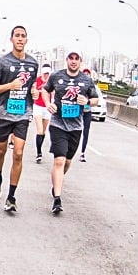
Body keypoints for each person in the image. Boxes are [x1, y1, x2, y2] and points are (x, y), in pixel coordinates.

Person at [40, 52, 100, 214]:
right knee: (58, 161)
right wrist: (47, 103)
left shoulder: (86, 80)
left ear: (80, 61)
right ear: (66, 60)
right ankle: (57, 199)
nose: (73, 62)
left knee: (66, 162)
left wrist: (87, 101)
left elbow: (95, 99)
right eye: (70, 58)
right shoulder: (56, 76)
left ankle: (57, 181)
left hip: (76, 126)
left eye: (76, 59)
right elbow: (45, 90)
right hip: (58, 124)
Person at [0, 25, 39, 211]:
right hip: (3, 113)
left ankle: (11, 197)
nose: (20, 39)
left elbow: (32, 86)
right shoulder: (2, 62)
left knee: (18, 153)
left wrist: (33, 91)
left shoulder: (33, 63)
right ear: (11, 39)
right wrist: (10, 85)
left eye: (23, 36)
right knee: (2, 150)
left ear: (26, 40)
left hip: (23, 114)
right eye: (17, 36)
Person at [31, 63, 52, 163]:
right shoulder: (37, 80)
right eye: (45, 73)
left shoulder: (52, 81)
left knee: (43, 131)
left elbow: (55, 93)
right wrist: (36, 92)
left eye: (48, 73)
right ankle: (39, 153)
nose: (46, 75)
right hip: (38, 106)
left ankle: (40, 148)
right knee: (39, 130)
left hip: (47, 108)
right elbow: (34, 90)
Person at [79, 67, 94, 162]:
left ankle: (82, 153)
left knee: (86, 132)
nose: (86, 76)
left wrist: (88, 101)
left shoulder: (92, 87)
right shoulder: (78, 86)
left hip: (87, 112)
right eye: (85, 74)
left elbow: (95, 99)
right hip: (78, 112)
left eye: (88, 74)